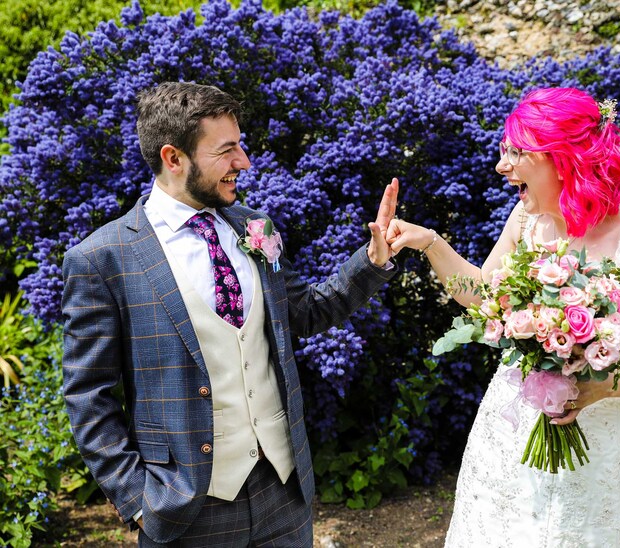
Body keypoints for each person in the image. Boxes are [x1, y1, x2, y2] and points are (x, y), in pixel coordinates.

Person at [61, 81, 399, 547]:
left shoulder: (255, 227)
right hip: (187, 510)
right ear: (173, 158)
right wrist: (139, 501)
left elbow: (304, 313)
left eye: (240, 145)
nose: (243, 162)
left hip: (284, 493)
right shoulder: (103, 258)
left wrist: (372, 261)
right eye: (227, 150)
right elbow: (88, 395)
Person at [386, 87, 620, 547]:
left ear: (561, 157)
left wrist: (603, 386)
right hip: (507, 428)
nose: (501, 165)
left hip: (591, 438)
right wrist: (430, 242)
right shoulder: (528, 221)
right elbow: (483, 296)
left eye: (517, 151)